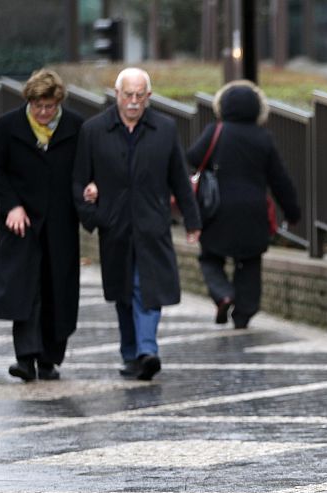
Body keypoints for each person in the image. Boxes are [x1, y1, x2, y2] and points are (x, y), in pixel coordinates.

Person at [72, 67, 201, 381]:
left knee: (148, 288)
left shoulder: (165, 129)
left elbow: (179, 179)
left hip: (151, 223)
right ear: (117, 94)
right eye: (127, 94)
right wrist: (94, 215)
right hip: (114, 227)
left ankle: (147, 350)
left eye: (139, 96)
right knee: (123, 293)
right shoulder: (94, 130)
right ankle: (131, 353)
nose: (132, 101)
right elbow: (78, 182)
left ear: (149, 97)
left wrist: (191, 221)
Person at [0, 69, 83, 382]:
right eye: (37, 106)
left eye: (49, 106)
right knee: (26, 288)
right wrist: (11, 205)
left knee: (58, 288)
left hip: (60, 223)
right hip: (20, 223)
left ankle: (50, 358)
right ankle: (25, 358)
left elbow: (85, 168)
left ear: (58, 102)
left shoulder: (75, 127)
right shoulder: (9, 125)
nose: (42, 113)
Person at [186, 80, 300, 329]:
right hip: (253, 211)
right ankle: (243, 314)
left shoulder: (215, 131)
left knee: (210, 257)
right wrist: (292, 212)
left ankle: (223, 294)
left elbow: (193, 157)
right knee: (249, 262)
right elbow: (280, 180)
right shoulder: (264, 138)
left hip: (217, 210)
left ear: (222, 106)